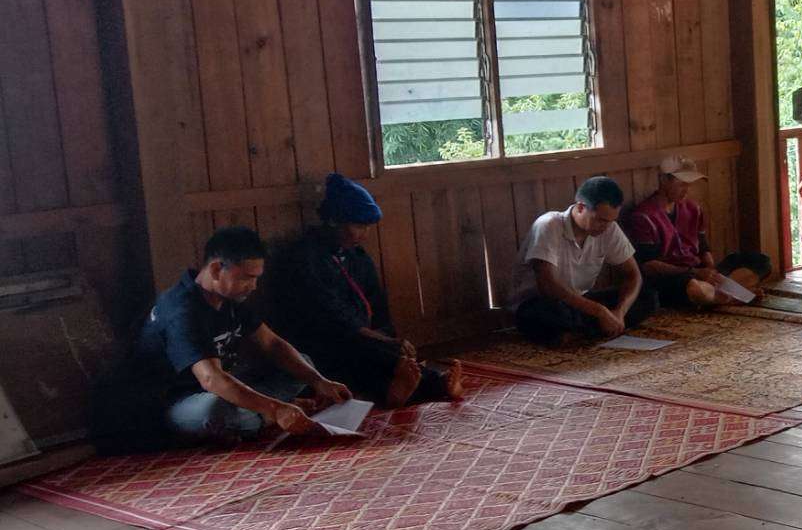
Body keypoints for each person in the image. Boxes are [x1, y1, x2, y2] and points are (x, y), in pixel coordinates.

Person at [89, 227, 353, 454]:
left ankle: (256, 417)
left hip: (219, 387)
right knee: (216, 410)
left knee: (301, 363)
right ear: (216, 269)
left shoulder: (230, 298)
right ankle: (263, 417)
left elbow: (272, 344)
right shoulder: (181, 310)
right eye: (247, 277)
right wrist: (275, 409)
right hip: (176, 403)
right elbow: (211, 380)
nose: (253, 286)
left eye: (256, 278)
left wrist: (319, 381)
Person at [270, 174, 464, 408]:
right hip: (325, 342)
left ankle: (422, 386)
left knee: (391, 356)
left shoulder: (357, 257)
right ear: (334, 221)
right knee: (365, 353)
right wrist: (378, 340)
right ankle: (418, 387)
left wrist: (389, 339)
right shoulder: (305, 259)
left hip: (363, 338)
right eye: (359, 226)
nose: (364, 234)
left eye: (368, 227)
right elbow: (329, 315)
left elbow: (378, 305)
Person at [510, 176, 648, 346]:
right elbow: (548, 286)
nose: (606, 226)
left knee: (647, 296)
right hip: (542, 302)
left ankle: (577, 333)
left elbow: (633, 275)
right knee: (550, 314)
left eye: (611, 221)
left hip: (580, 303)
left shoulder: (609, 228)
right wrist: (599, 311)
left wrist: (620, 311)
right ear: (581, 208)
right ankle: (588, 329)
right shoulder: (549, 225)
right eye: (601, 220)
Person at [622, 156, 772, 310]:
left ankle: (719, 291)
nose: (686, 190)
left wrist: (711, 271)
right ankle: (729, 296)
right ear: (664, 180)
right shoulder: (643, 216)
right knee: (693, 287)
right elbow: (649, 266)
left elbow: (703, 247)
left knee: (762, 262)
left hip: (699, 270)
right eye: (682, 184)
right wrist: (695, 272)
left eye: (689, 184)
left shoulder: (693, 208)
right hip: (674, 277)